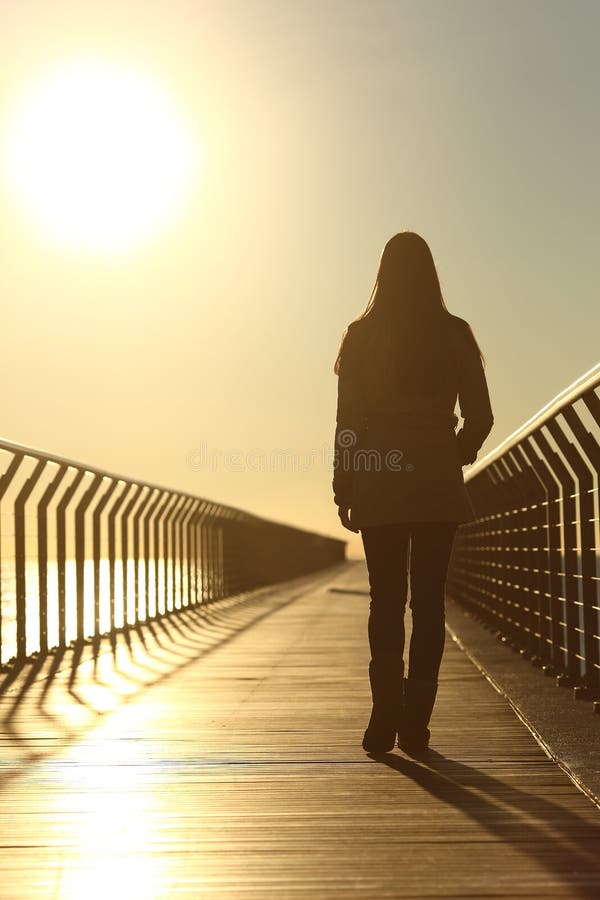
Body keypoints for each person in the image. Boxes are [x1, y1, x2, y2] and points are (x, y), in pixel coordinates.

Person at [332, 231, 494, 757]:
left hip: (379, 479)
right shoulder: (455, 334)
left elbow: (348, 424)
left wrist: (345, 483)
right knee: (428, 603)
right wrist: (454, 454)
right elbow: (481, 417)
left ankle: (384, 715)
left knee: (386, 603)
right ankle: (417, 722)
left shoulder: (360, 336)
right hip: (434, 483)